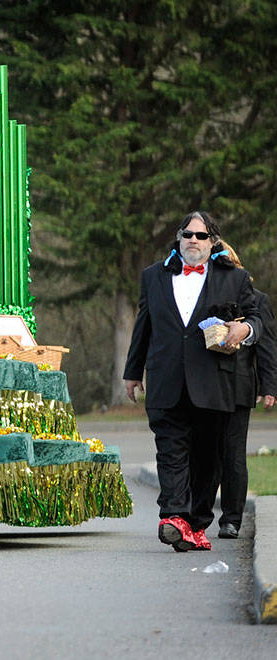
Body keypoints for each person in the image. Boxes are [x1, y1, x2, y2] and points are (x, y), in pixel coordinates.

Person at [123, 211, 260, 552]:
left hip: (213, 383)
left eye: (200, 236)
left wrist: (244, 329)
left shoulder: (235, 278)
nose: (192, 241)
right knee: (170, 450)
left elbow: (256, 317)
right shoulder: (153, 277)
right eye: (187, 235)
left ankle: (195, 522)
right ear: (178, 239)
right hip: (165, 379)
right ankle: (173, 517)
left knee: (206, 459)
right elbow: (144, 325)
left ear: (213, 241)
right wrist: (131, 371)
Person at [209, 242, 277, 539]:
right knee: (205, 452)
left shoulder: (257, 300)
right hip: (205, 387)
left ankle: (231, 518)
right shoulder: (202, 297)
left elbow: (268, 347)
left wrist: (269, 386)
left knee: (234, 453)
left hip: (238, 385)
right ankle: (197, 514)